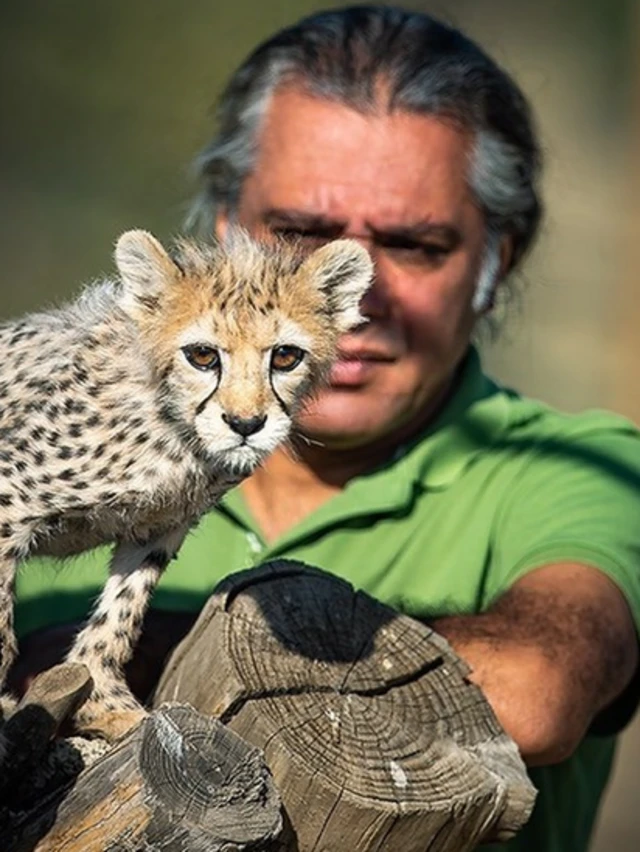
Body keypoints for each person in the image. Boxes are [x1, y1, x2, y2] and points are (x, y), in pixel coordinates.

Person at [11, 6, 640, 850]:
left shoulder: (583, 469)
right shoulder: (87, 418)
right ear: (223, 224)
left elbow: (536, 692)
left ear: (500, 261)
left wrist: (147, 653)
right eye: (300, 234)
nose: (357, 297)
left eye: (413, 245)